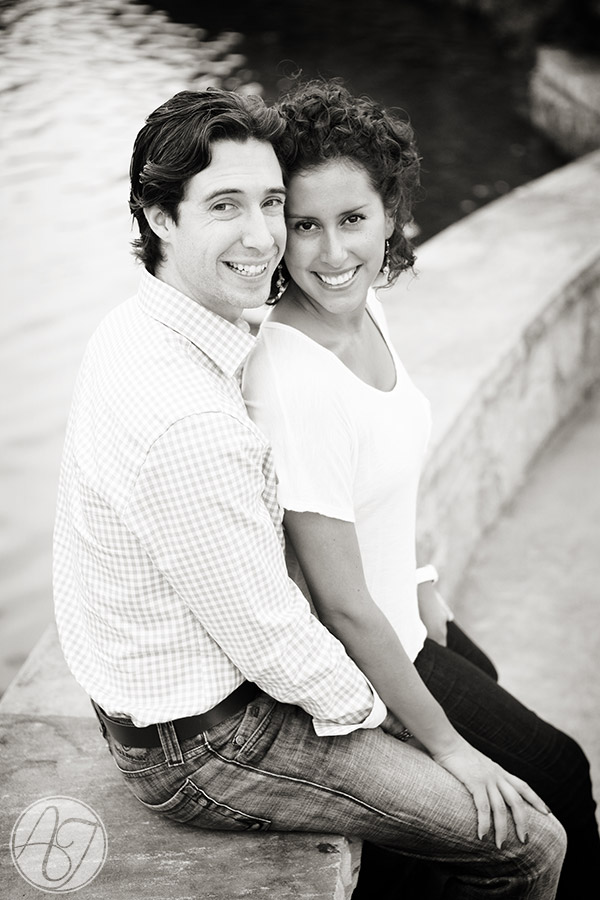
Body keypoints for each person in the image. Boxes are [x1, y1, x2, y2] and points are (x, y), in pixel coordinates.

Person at [53, 87, 566, 899]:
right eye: (226, 205)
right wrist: (418, 729)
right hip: (210, 741)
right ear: (158, 216)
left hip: (203, 679)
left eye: (270, 204)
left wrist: (422, 592)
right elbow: (282, 639)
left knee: (500, 711)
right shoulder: (192, 416)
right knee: (529, 839)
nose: (262, 238)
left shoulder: (157, 325)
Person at [242, 79, 600, 896]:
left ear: (388, 211)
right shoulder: (291, 380)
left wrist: (424, 580)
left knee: (492, 676)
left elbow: (387, 480)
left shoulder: (363, 311)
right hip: (365, 659)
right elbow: (339, 606)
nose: (332, 254)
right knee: (561, 775)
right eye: (305, 226)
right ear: (278, 231)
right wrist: (445, 747)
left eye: (352, 220)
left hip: (403, 612)